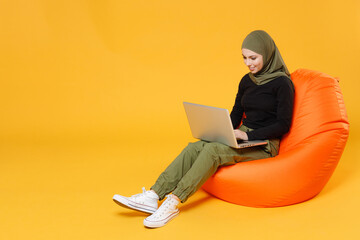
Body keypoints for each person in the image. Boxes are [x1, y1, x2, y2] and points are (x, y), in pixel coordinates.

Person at [113, 30, 295, 228]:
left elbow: (283, 124)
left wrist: (247, 135)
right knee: (195, 147)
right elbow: (236, 114)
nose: (248, 63)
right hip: (241, 136)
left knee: (213, 151)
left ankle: (173, 202)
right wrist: (220, 129)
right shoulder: (246, 81)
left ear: (267, 55)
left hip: (265, 143)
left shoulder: (282, 84)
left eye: (253, 58)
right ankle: (154, 194)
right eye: (244, 57)